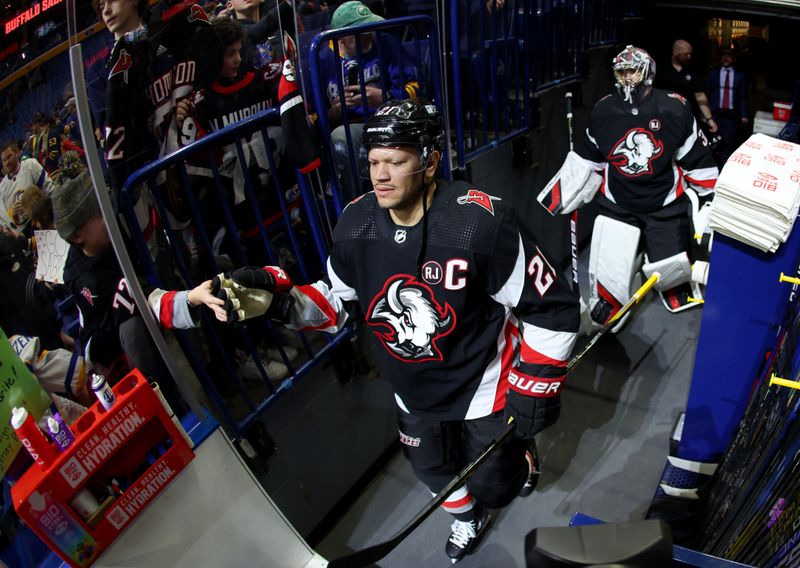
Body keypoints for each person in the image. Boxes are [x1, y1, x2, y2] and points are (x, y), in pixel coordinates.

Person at [221, 99, 580, 562]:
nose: (380, 175)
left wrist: (536, 385)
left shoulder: (480, 222)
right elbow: (336, 304)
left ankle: (518, 457)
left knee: (497, 486)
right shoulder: (356, 224)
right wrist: (280, 303)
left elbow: (550, 306)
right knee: (432, 469)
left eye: (396, 160)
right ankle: (465, 518)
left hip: (484, 385)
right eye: (373, 161)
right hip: (412, 390)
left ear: (430, 162)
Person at [572, 46, 718, 319]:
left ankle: (669, 279)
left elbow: (697, 158)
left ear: (647, 72)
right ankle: (615, 288)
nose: (627, 78)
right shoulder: (603, 111)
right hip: (618, 202)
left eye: (632, 70)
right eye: (622, 72)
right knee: (610, 271)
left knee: (670, 270)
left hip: (663, 203)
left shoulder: (674, 108)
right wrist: (568, 189)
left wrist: (709, 199)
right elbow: (589, 156)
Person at [317, 1, 418, 202]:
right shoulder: (322, 60)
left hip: (390, 118)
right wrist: (333, 112)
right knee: (340, 138)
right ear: (341, 38)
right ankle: (360, 206)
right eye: (360, 32)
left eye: (369, 28)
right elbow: (313, 113)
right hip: (351, 127)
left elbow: (416, 87)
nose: (368, 34)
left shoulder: (386, 43)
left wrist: (385, 97)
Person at [654, 39, 718, 135]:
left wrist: (709, 119)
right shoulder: (661, 71)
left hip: (687, 118)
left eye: (690, 54)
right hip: (665, 118)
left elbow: (700, 96)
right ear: (676, 53)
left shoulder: (692, 72)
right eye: (686, 54)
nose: (689, 57)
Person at [705, 47, 748, 165]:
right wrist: (705, 113)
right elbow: (706, 94)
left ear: (733, 59)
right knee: (714, 141)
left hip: (732, 115)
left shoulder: (740, 76)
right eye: (724, 55)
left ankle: (724, 167)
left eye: (729, 55)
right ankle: (712, 165)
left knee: (729, 143)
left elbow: (743, 96)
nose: (726, 58)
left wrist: (744, 114)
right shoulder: (713, 73)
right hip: (715, 113)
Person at [0, 140, 52, 234]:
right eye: (4, 160)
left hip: (44, 221)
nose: (7, 162)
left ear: (16, 154)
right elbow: (4, 225)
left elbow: (50, 190)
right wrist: (10, 214)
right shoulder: (1, 189)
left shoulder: (30, 165)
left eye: (9, 156)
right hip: (24, 235)